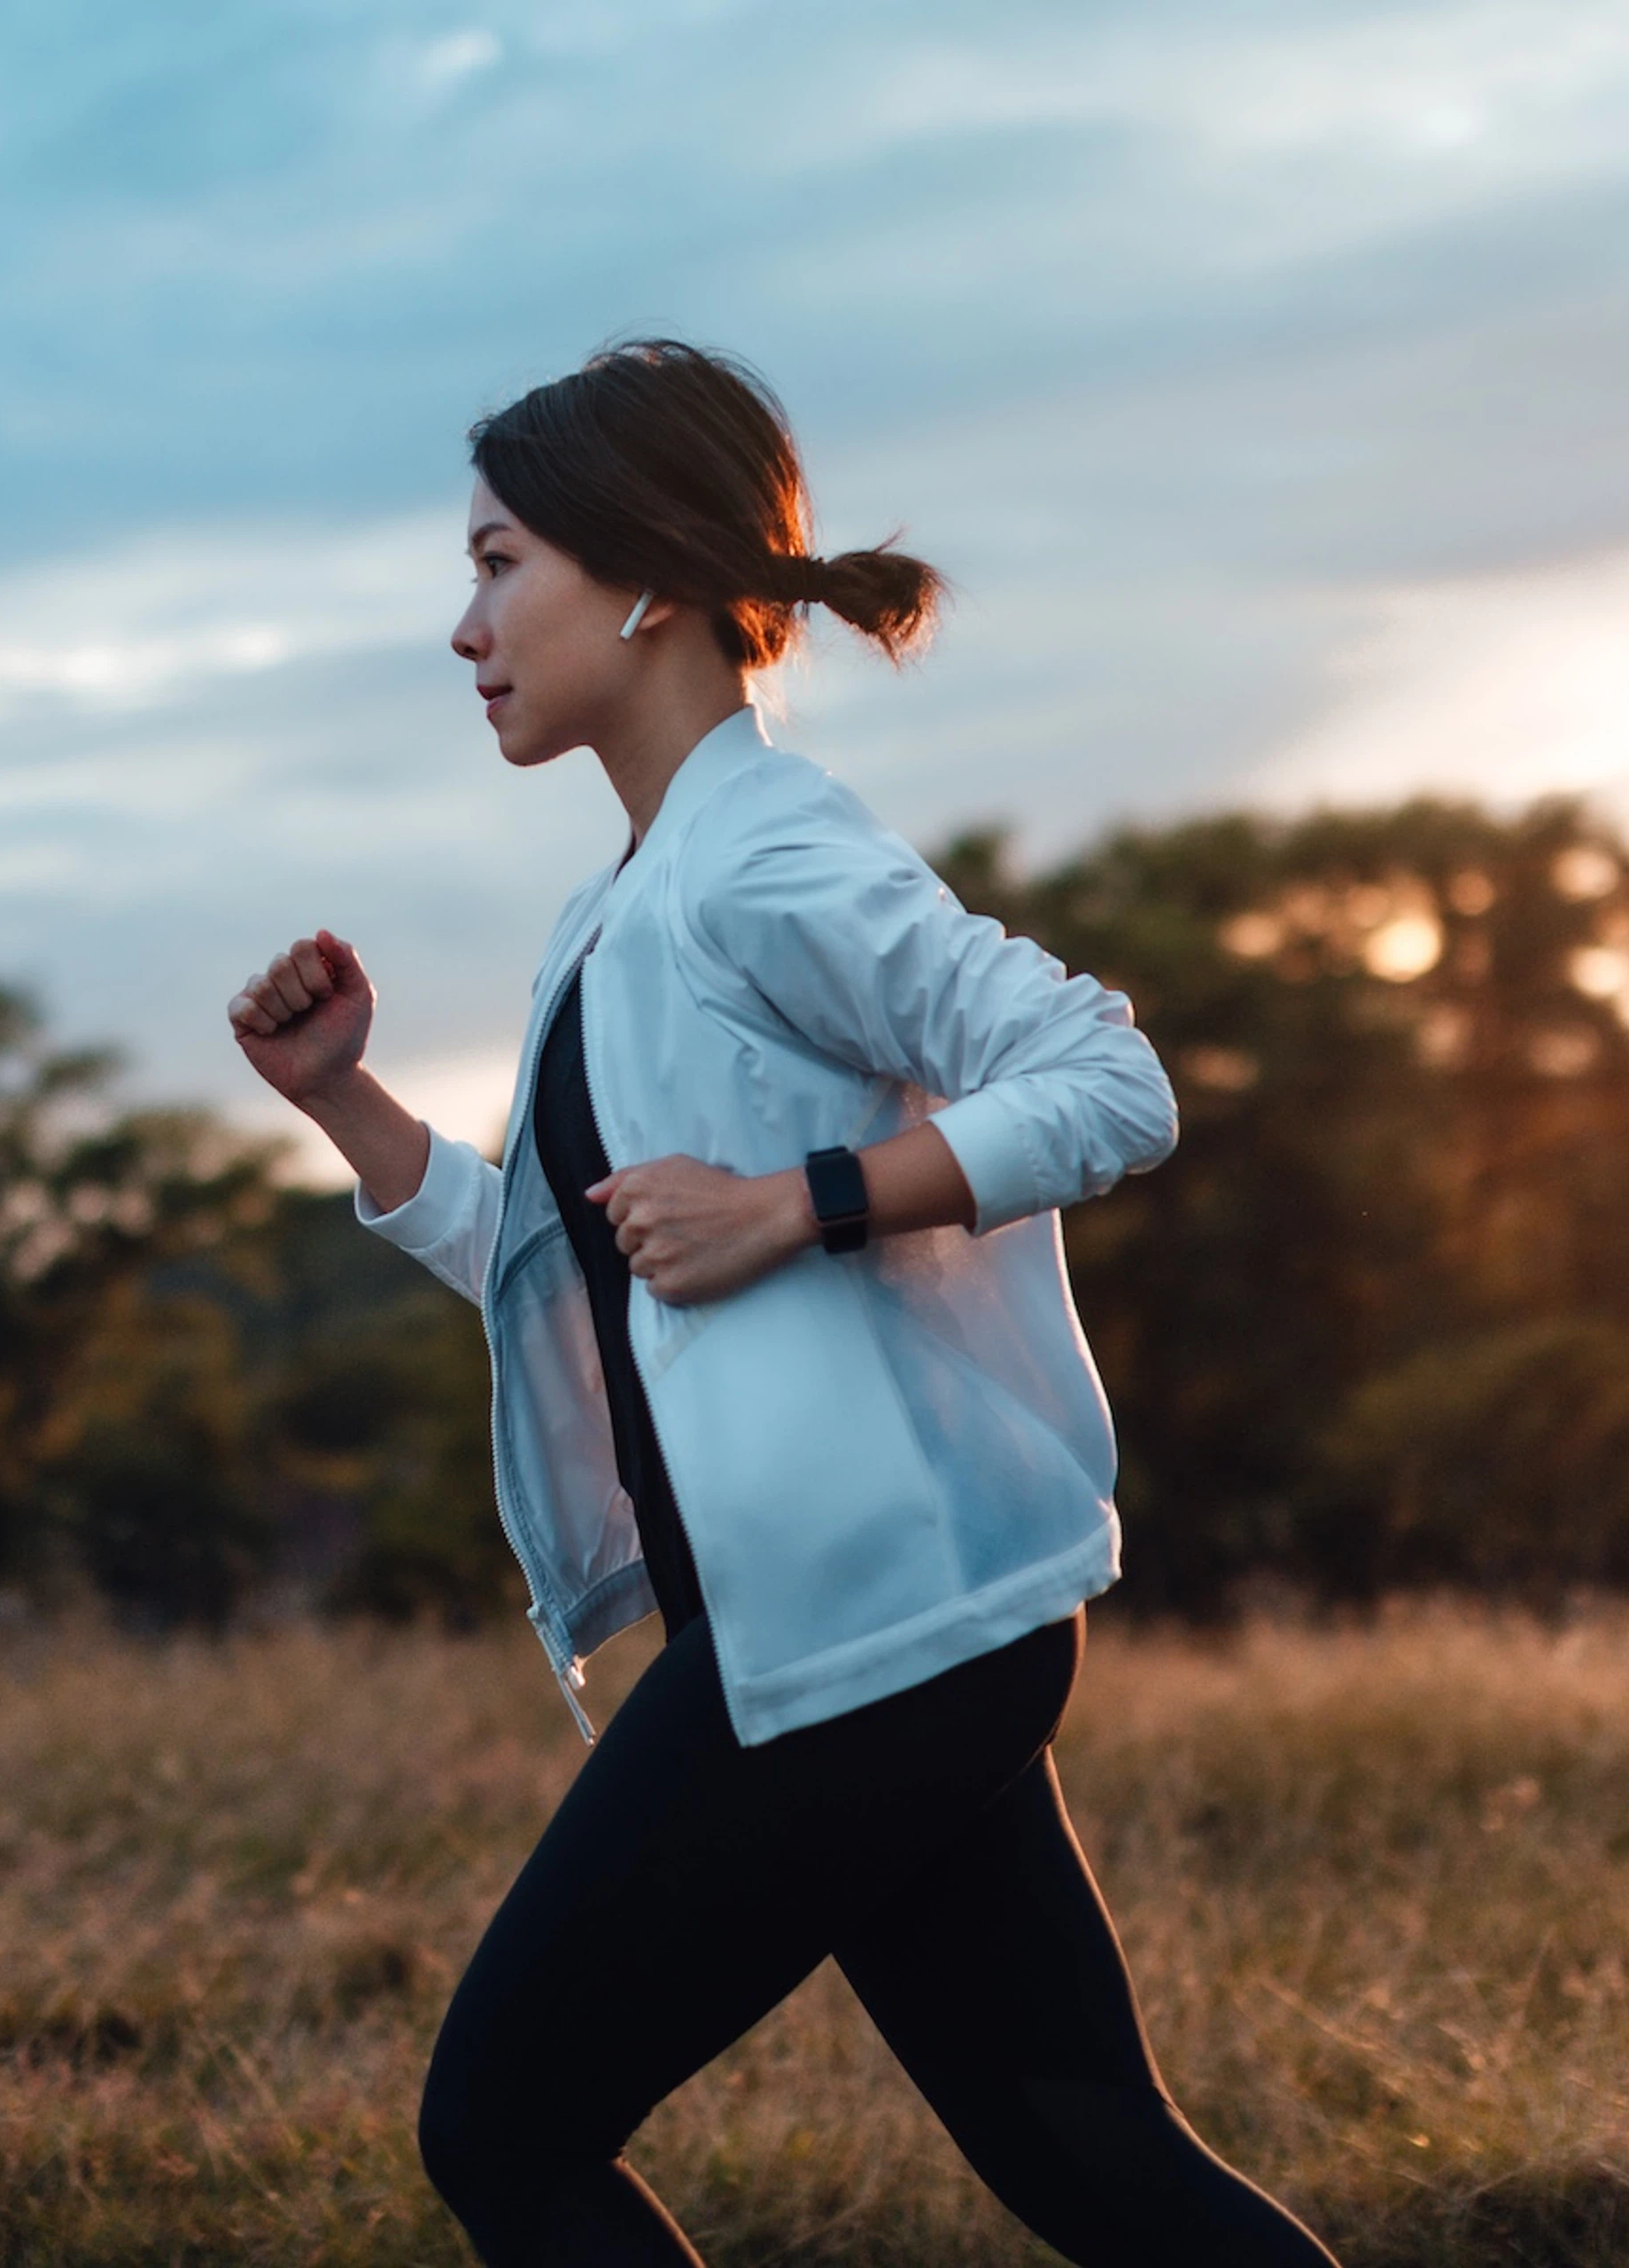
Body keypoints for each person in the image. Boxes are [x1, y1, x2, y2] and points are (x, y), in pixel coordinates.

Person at [227, 340, 1338, 2268]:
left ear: (645, 580)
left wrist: (803, 1203)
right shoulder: (633, 896)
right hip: (883, 1629)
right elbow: (582, 1252)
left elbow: (1105, 1080)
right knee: (1095, 2153)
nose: (466, 625)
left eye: (501, 565)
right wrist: (350, 1108)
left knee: (505, 2123)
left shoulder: (770, 852)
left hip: (862, 1640)